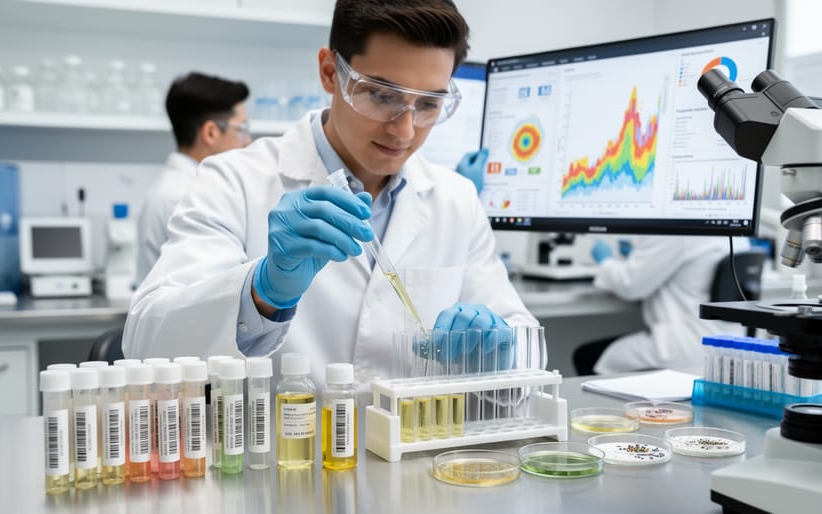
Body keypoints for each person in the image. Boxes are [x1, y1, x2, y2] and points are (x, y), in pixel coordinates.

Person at [123, 0, 537, 388]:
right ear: (329, 72)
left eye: (428, 105)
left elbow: (523, 347)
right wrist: (262, 292)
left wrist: (499, 354)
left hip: (411, 458)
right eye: (382, 95)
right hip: (274, 458)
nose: (404, 130)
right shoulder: (233, 180)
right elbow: (147, 344)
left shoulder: (456, 199)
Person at [135, 72, 251, 284]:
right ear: (211, 133)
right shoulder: (188, 196)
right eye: (241, 129)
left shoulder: (173, 186)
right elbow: (215, 287)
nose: (247, 141)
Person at [573, 236, 746, 375]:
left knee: (587, 357)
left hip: (683, 345)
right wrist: (642, 258)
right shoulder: (737, 235)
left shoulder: (676, 233)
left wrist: (605, 261)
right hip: (726, 343)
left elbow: (630, 285)